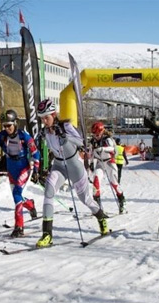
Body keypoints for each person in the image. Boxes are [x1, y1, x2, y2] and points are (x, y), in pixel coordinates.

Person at [35, 98, 109, 248]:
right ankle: (47, 234)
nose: (44, 121)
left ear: (54, 114)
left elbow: (81, 142)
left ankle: (101, 218)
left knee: (85, 199)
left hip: (74, 165)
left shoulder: (65, 125)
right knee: (48, 192)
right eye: (42, 118)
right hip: (59, 166)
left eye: (47, 117)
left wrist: (65, 136)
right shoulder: (45, 131)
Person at [0, 109, 41, 238]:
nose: (7, 128)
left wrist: (36, 170)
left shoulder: (24, 135)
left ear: (15, 123)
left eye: (9, 125)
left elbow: (36, 153)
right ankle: (30, 204)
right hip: (11, 168)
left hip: (23, 168)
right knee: (16, 197)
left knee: (17, 194)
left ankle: (19, 227)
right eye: (5, 126)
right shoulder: (2, 136)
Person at [89, 122, 126, 214]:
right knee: (96, 181)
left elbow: (113, 149)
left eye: (97, 134)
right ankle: (97, 207)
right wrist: (91, 163)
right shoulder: (92, 141)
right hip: (99, 163)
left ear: (101, 132)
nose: (95, 136)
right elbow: (91, 153)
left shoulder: (107, 139)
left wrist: (103, 149)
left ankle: (122, 201)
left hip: (109, 162)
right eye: (94, 134)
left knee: (114, 183)